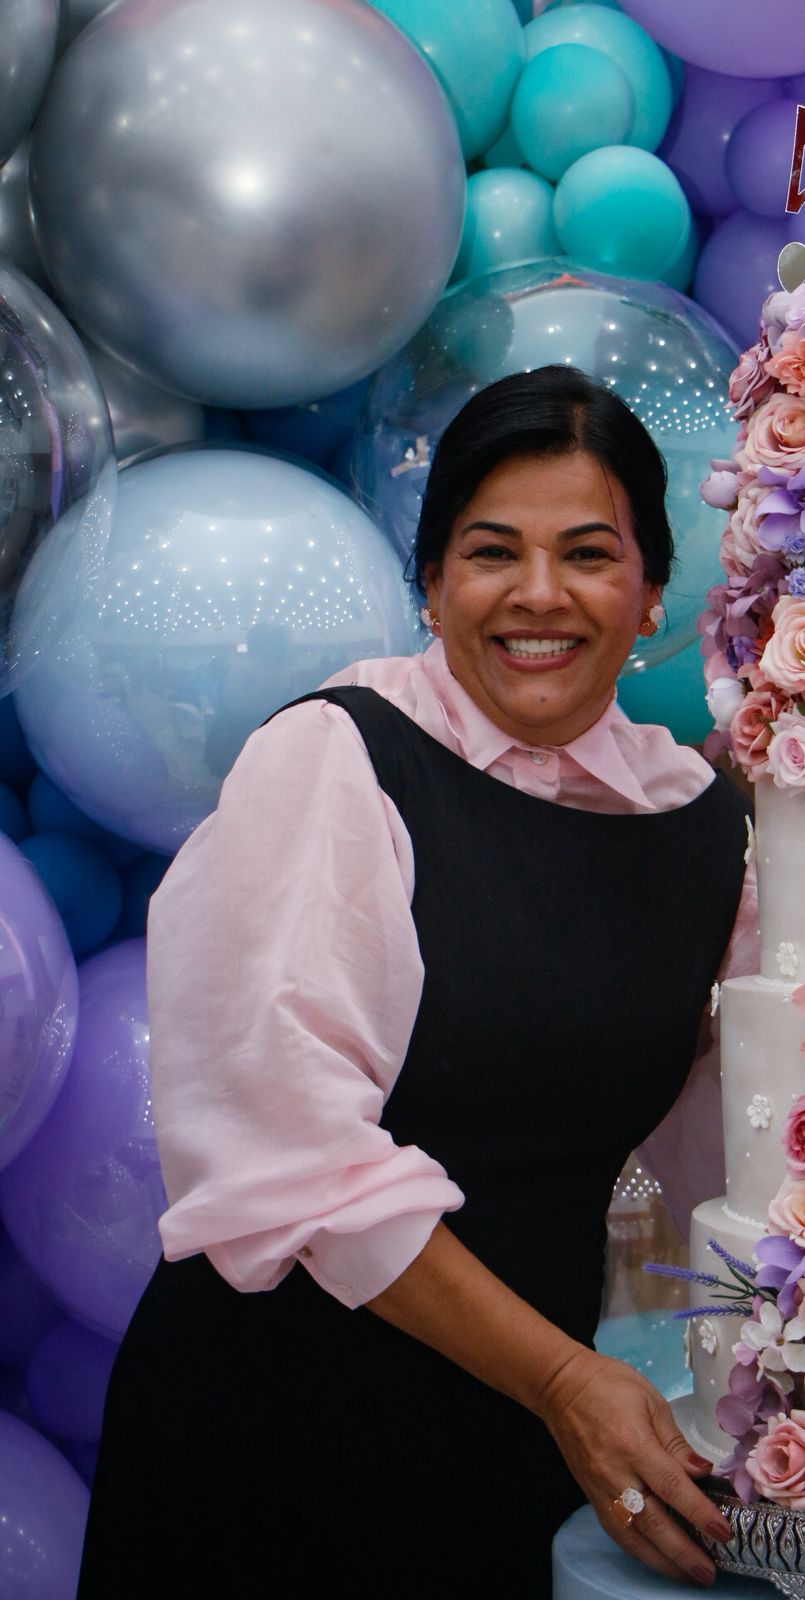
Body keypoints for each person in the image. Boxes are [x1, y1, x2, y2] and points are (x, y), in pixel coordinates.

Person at [78, 365, 757, 1598]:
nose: (538, 593)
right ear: (432, 584)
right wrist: (563, 1377)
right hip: (274, 1437)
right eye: (492, 552)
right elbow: (287, 1150)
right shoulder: (336, 757)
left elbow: (731, 1155)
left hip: (524, 1452)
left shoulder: (704, 826)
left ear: (652, 590)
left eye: (588, 553)